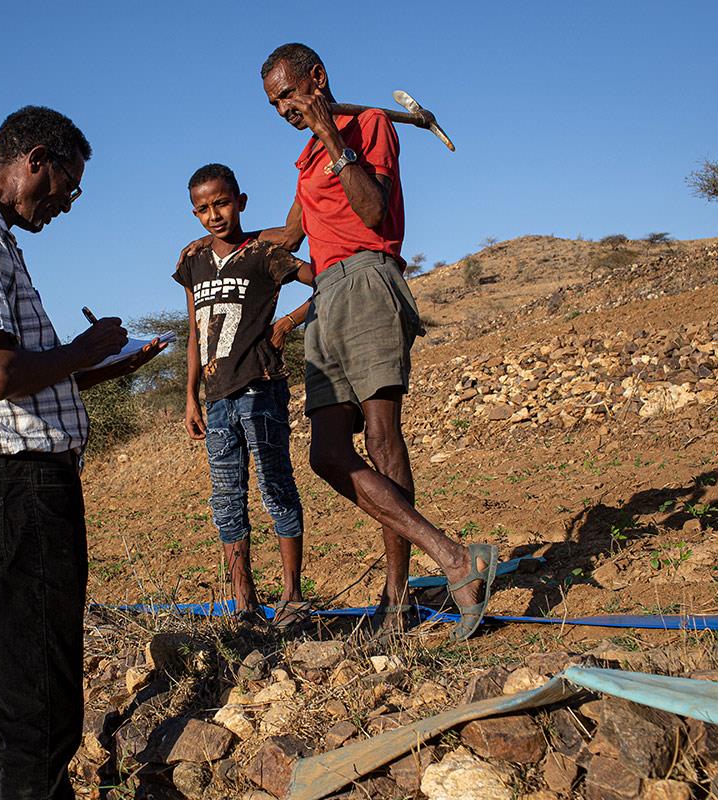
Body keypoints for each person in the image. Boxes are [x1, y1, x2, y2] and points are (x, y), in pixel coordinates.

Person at [0, 105, 165, 799]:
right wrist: (83, 348)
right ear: (35, 158)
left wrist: (105, 364)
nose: (64, 206)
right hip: (17, 488)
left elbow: (22, 375)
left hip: (4, 487)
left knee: (12, 698)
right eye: (64, 189)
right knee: (40, 704)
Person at [257, 43, 497, 641]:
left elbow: (373, 212)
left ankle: (397, 598)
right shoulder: (306, 157)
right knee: (326, 454)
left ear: (316, 78)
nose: (283, 108)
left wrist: (336, 140)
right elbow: (291, 235)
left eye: (288, 93)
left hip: (369, 277)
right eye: (273, 102)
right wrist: (222, 241)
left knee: (383, 435)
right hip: (327, 297)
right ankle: (452, 556)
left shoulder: (368, 127)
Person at [174, 163, 315, 628]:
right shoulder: (192, 261)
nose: (214, 215)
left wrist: (288, 323)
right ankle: (245, 605)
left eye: (222, 203)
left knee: (276, 487)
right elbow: (195, 333)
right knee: (226, 499)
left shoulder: (264, 254)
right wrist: (191, 396)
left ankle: (293, 597)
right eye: (203, 209)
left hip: (262, 390)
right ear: (194, 212)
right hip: (216, 400)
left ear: (241, 202)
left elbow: (327, 281)